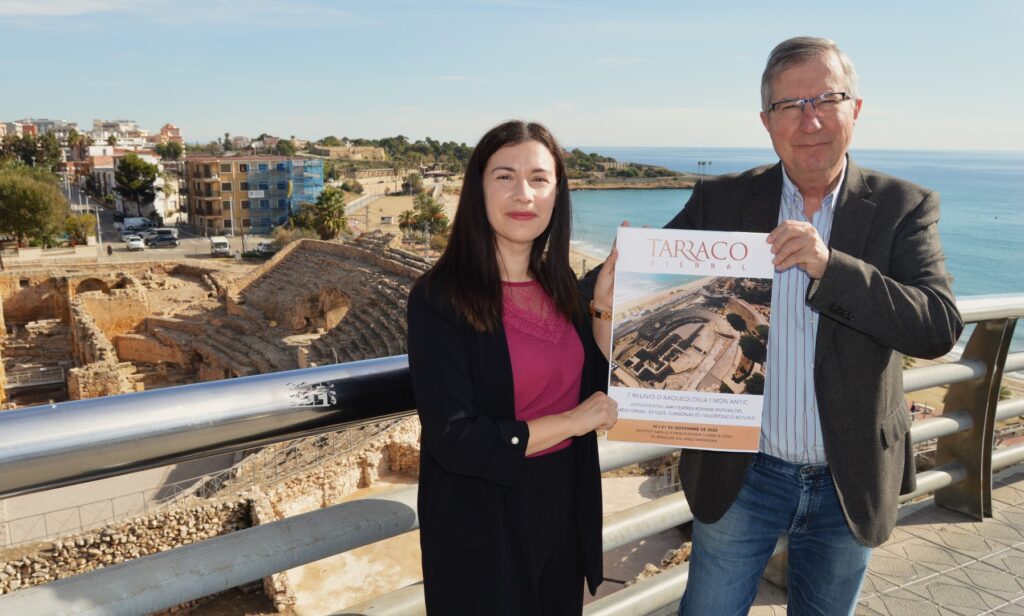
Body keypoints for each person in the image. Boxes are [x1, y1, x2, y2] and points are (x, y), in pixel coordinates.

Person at [593, 37, 964, 615]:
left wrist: (830, 268)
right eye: (790, 105)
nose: (809, 119)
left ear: (856, 108)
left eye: (826, 98)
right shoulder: (723, 200)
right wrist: (598, 291)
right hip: (743, 475)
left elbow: (937, 326)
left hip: (850, 478)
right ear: (766, 121)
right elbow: (633, 269)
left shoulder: (903, 207)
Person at [407, 120, 618, 615]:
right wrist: (572, 423)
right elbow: (454, 437)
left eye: (539, 179)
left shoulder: (560, 283)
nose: (523, 194)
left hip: (562, 514)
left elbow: (588, 391)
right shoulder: (439, 299)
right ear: (477, 189)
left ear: (557, 193)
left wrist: (604, 310)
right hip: (483, 524)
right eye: (505, 176)